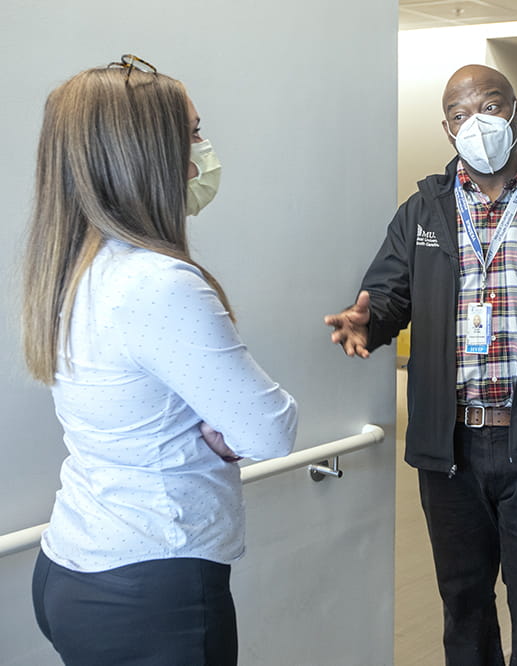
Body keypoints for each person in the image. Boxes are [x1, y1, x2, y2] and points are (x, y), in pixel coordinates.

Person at [325, 64, 517, 664]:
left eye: (488, 106)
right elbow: (389, 294)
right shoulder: (424, 210)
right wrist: (370, 322)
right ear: (446, 126)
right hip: (449, 447)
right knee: (463, 602)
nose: (475, 122)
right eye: (460, 114)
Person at [22, 56, 298, 665]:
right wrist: (230, 432)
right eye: (193, 133)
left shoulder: (76, 267)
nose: (205, 150)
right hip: (151, 588)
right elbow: (271, 429)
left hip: (75, 566)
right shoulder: (158, 283)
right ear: (144, 152)